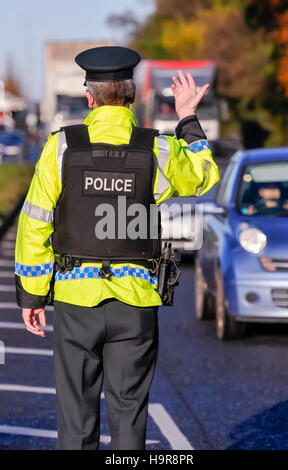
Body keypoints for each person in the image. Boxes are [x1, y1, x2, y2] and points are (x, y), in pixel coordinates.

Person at [15, 46, 219, 450]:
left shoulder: (61, 148)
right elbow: (203, 175)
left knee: (75, 423)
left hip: (76, 303)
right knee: (129, 422)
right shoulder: (156, 149)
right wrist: (186, 118)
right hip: (136, 305)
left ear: (89, 97)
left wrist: (33, 295)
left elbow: (35, 222)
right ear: (130, 95)